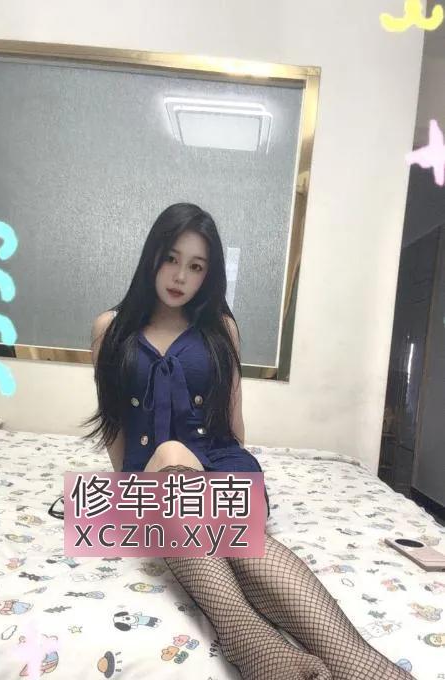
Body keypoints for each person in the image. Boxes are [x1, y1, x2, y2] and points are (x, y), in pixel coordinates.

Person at [83, 203, 413, 680]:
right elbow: (115, 426)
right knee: (172, 457)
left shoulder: (221, 328)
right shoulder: (109, 329)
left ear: (209, 274)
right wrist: (133, 492)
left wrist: (215, 489)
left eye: (196, 266)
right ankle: (256, 639)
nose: (180, 276)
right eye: (171, 258)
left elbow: (234, 427)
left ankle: (359, 664)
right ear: (152, 255)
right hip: (151, 479)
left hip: (219, 463)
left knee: (241, 541)